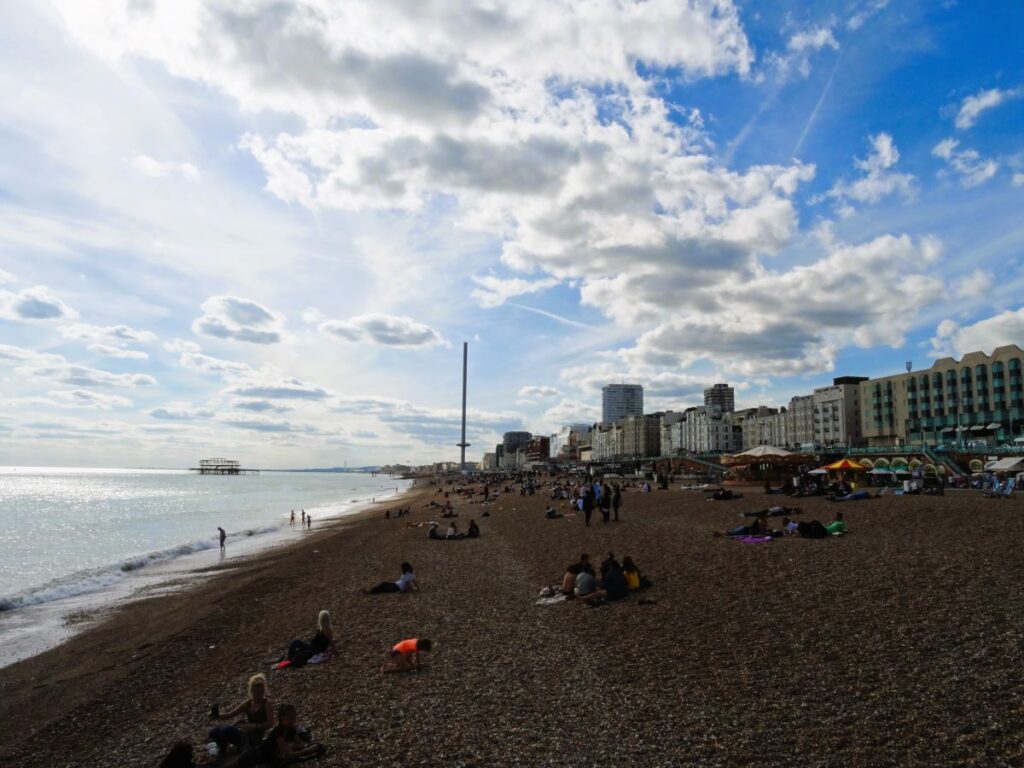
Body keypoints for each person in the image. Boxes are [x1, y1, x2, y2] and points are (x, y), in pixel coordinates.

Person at [222, 703, 324, 767]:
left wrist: (307, 745)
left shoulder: (291, 730)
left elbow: (299, 744)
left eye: (293, 717)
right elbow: (290, 754)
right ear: (281, 718)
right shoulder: (278, 731)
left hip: (263, 758)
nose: (292, 720)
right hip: (254, 755)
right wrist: (309, 750)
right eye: (289, 718)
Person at [208, 673, 273, 757]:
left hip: (255, 737)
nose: (259, 696)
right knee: (214, 731)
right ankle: (222, 748)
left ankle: (238, 750)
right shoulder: (248, 703)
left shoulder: (267, 704)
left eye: (261, 693)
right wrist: (217, 716)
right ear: (251, 691)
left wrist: (254, 726)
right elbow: (230, 714)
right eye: (256, 693)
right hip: (245, 732)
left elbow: (270, 723)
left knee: (228, 730)